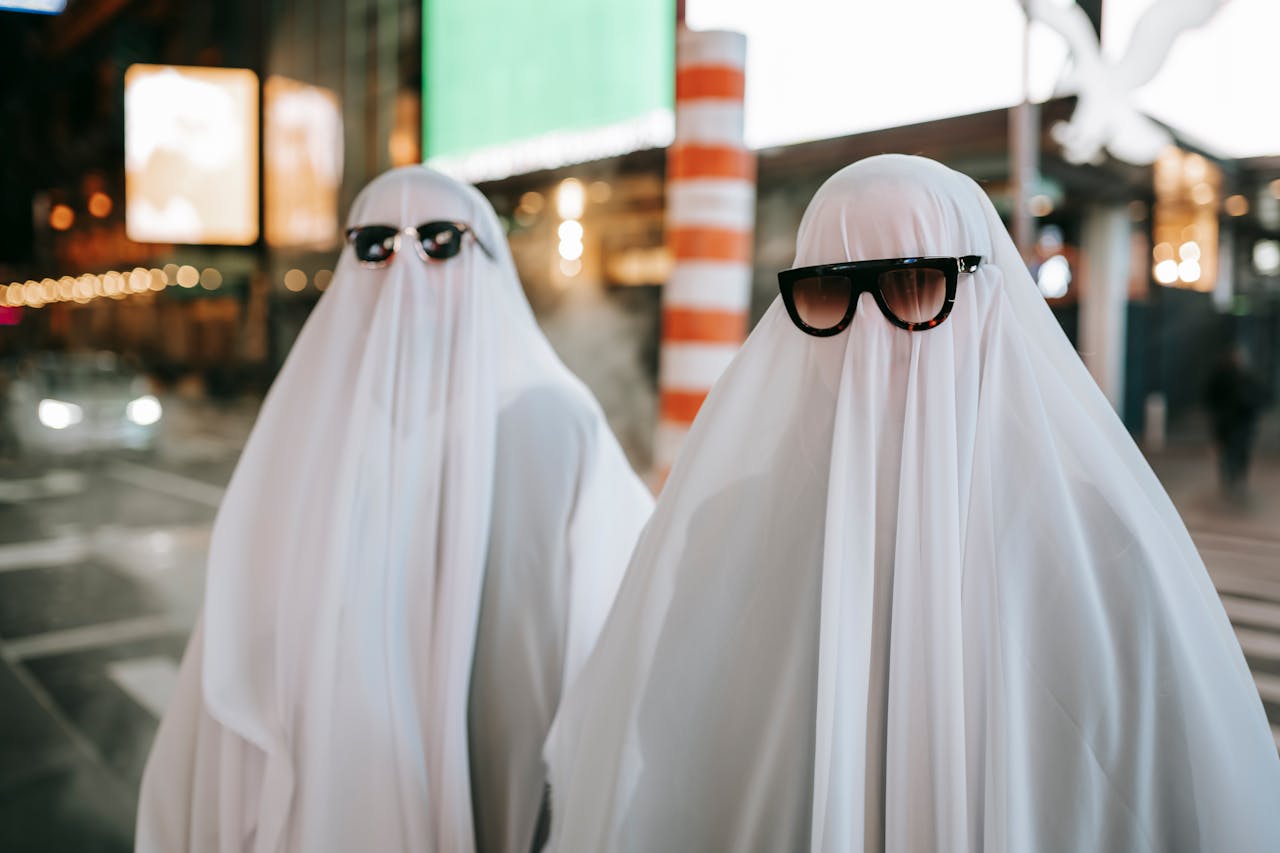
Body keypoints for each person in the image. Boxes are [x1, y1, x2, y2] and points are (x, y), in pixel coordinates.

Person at [543, 155, 1280, 852]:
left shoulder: (1094, 542)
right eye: (831, 289)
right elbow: (676, 772)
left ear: (986, 300)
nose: (870, 331)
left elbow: (1153, 793)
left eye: (914, 285)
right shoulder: (726, 526)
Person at [135, 167, 653, 853]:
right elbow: (245, 637)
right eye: (376, 242)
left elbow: (623, 639)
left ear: (486, 262)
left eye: (439, 241)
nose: (406, 264)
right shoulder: (312, 435)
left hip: (512, 786)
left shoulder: (558, 426)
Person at [1204, 344, 1267, 498]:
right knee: (1232, 450)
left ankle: (1234, 478)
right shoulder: (1229, 376)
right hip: (1232, 422)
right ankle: (1232, 478)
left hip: (1238, 422)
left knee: (1237, 450)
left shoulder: (1242, 377)